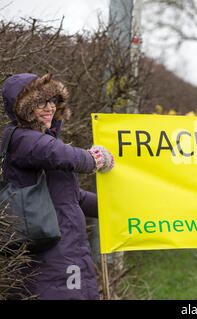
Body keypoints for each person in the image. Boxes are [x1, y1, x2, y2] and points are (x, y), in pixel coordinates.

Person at [1, 73, 114, 299]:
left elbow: (72, 197)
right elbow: (58, 154)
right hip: (49, 257)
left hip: (66, 249)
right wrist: (95, 159)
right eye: (40, 102)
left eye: (53, 101)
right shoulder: (22, 139)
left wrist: (114, 209)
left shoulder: (42, 142)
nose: (49, 107)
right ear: (22, 108)